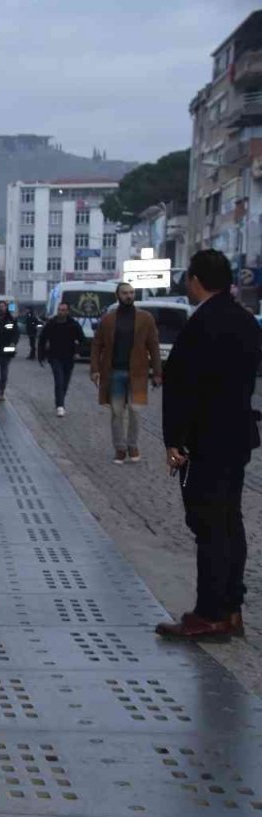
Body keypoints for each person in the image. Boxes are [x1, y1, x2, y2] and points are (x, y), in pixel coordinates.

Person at [157, 249, 261, 641]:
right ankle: (232, 608)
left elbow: (184, 389)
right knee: (230, 523)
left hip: (205, 442)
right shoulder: (247, 321)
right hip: (236, 437)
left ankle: (210, 613)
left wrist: (175, 442)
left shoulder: (201, 326)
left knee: (208, 525)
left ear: (196, 281)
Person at [90, 282, 161, 464]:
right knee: (116, 412)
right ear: (118, 295)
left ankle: (133, 444)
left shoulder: (145, 318)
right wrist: (95, 369)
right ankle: (120, 448)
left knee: (136, 411)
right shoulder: (108, 319)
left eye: (131, 293)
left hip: (138, 373)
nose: (128, 296)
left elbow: (153, 345)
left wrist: (158, 372)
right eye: (125, 293)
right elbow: (97, 344)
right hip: (114, 372)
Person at [38, 302, 85, 416]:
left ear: (68, 311)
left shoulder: (73, 324)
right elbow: (42, 339)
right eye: (59, 310)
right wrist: (41, 356)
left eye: (63, 310)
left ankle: (60, 400)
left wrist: (78, 352)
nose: (61, 312)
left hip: (69, 357)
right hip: (55, 356)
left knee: (65, 382)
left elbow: (82, 339)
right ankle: (60, 406)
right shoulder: (51, 323)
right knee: (59, 380)